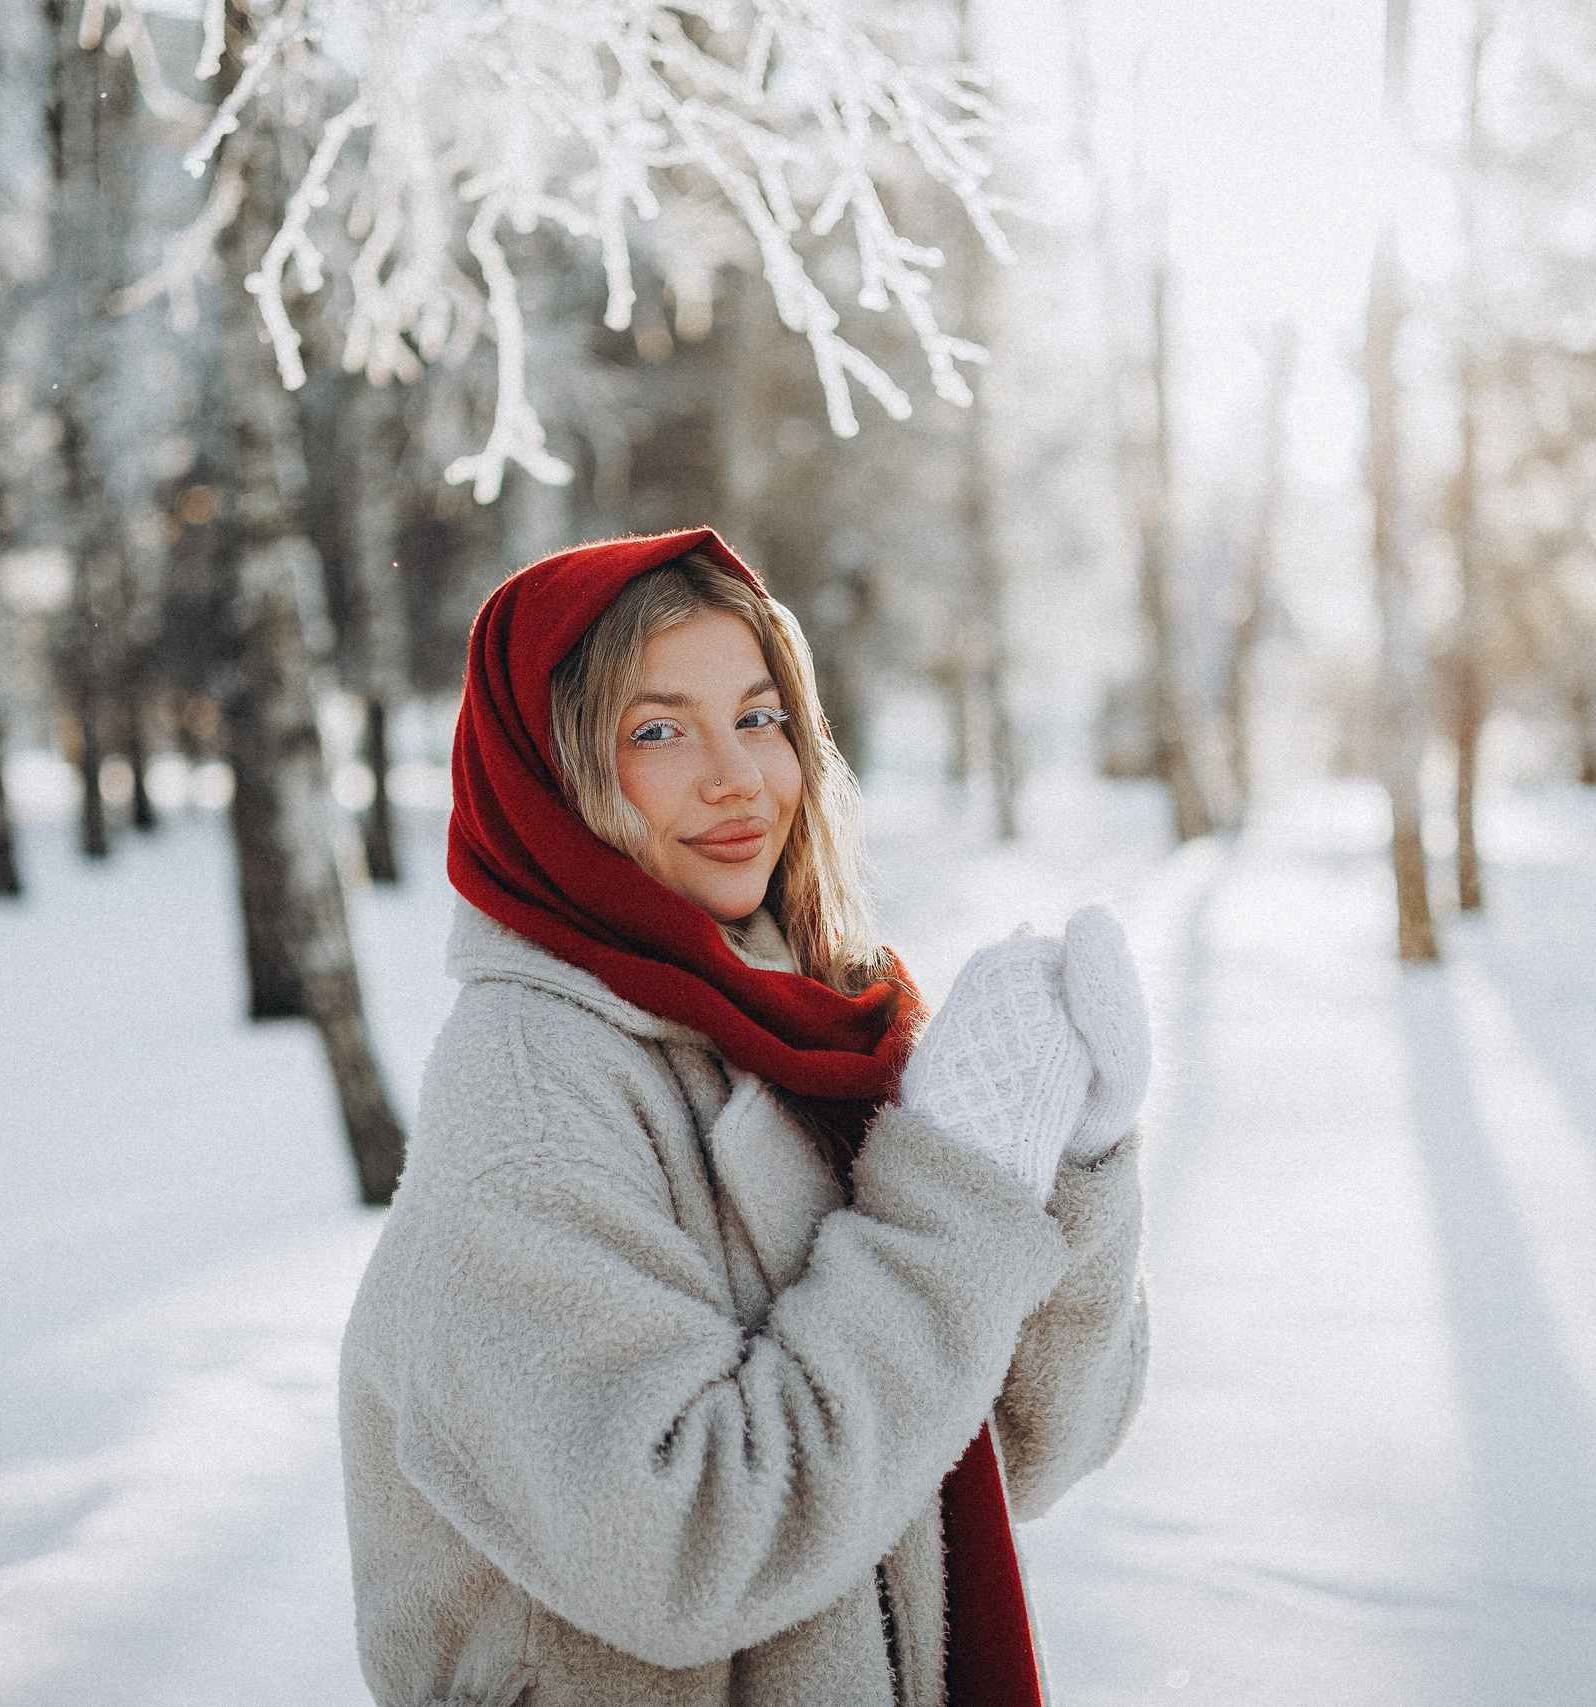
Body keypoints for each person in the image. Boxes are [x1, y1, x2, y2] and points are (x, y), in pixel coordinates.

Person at [338, 528, 1150, 1707]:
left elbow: (1010, 1452)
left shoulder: (808, 1028)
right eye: (657, 730)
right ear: (550, 774)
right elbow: (688, 1554)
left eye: (760, 717)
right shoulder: (533, 1093)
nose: (736, 778)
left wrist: (1068, 1169)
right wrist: (956, 1194)